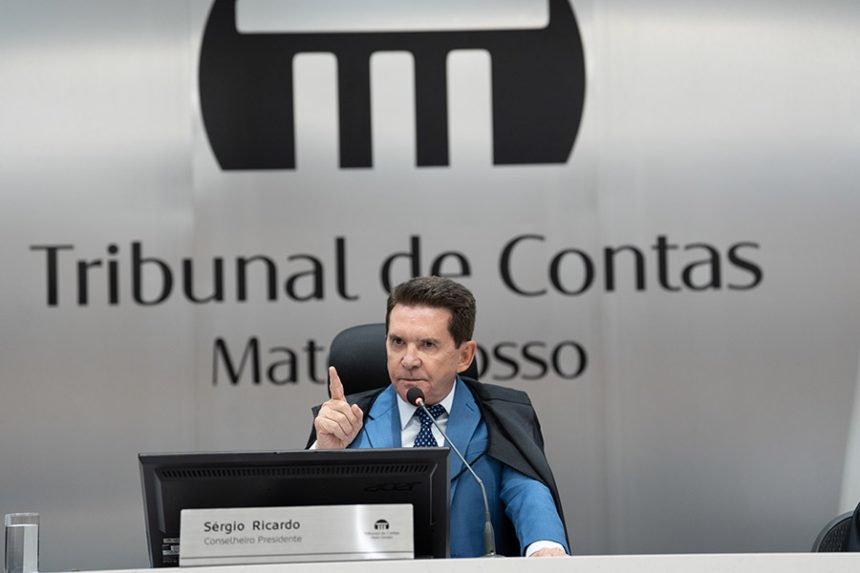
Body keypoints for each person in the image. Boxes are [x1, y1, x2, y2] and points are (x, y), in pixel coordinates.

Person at [308, 276, 570, 557]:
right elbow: (302, 529)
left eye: (427, 345)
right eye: (397, 342)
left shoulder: (500, 418)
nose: (408, 360)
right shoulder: (347, 420)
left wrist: (545, 547)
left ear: (464, 356)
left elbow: (527, 493)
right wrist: (323, 456)